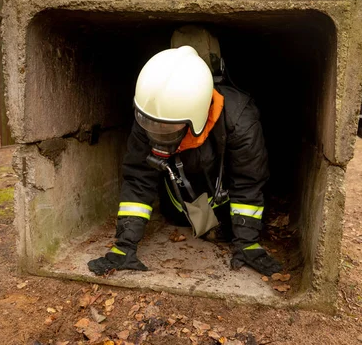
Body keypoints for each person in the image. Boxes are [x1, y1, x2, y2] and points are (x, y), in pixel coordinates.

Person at [87, 26, 283, 277]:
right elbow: (138, 177)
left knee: (229, 224)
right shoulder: (150, 108)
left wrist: (247, 242)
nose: (159, 133)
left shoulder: (239, 117)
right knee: (177, 217)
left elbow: (248, 180)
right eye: (155, 126)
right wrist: (125, 245)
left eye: (171, 127)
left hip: (225, 204)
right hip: (179, 204)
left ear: (198, 117)